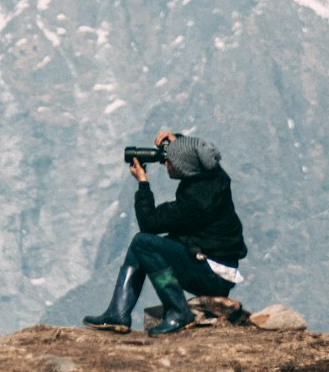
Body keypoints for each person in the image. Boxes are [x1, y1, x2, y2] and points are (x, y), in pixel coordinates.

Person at [83, 129, 246, 336]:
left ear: (185, 167)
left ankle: (179, 312)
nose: (165, 163)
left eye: (170, 160)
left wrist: (143, 184)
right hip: (213, 263)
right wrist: (178, 141)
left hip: (212, 276)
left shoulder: (195, 202)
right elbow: (200, 152)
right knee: (140, 243)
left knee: (144, 242)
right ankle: (118, 314)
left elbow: (149, 223)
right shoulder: (214, 176)